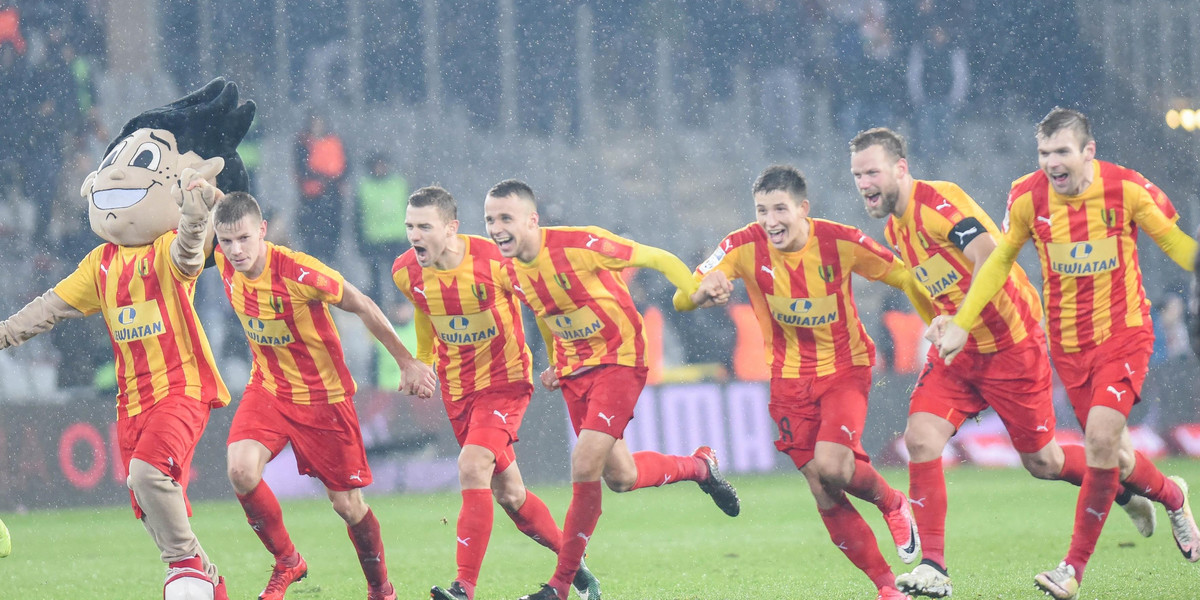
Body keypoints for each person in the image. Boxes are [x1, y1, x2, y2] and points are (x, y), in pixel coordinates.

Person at [849, 127, 1156, 598]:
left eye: (872, 171)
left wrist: (963, 322)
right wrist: (937, 323)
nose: (863, 182)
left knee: (1044, 462)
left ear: (900, 168)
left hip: (1012, 347)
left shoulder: (938, 202)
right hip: (961, 355)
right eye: (856, 175)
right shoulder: (894, 228)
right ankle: (934, 567)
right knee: (921, 436)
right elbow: (930, 284)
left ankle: (1131, 488)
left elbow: (988, 254)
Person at [0, 78, 254, 598]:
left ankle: (183, 568)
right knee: (148, 500)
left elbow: (189, 257)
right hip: (131, 401)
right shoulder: (101, 263)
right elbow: (51, 306)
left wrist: (191, 215)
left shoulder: (162, 251)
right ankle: (208, 579)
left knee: (146, 476)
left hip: (180, 389)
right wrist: (4, 333)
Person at [933, 108, 1200, 599]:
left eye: (1061, 152)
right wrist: (962, 322)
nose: (1052, 163)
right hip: (1070, 348)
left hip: (1126, 334)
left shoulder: (1126, 189)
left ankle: (1070, 569)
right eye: (1044, 153)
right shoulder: (1026, 196)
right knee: (1114, 457)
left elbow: (1177, 245)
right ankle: (1173, 496)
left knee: (1099, 439)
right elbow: (998, 264)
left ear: (1087, 152)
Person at [674, 165, 932, 600]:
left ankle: (891, 502)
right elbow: (684, 297)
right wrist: (702, 292)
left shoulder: (840, 241)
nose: (770, 220)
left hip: (844, 368)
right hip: (787, 381)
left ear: (803, 209)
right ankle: (887, 588)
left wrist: (940, 321)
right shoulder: (740, 245)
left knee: (834, 466)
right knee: (823, 484)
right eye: (761, 210)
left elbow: (904, 275)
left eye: (780, 209)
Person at [483, 179, 741, 600]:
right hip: (576, 369)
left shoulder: (582, 244)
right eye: (490, 219)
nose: (496, 227)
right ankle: (700, 467)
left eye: (505, 218)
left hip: (620, 359)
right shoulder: (510, 269)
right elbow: (548, 316)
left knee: (583, 464)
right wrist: (555, 362)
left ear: (532, 220)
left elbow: (656, 256)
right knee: (621, 476)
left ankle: (561, 587)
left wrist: (694, 289)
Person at [210, 190, 437, 600]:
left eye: (244, 239)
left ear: (262, 231)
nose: (235, 250)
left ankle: (381, 589)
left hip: (323, 398)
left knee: (348, 506)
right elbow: (221, 206)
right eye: (226, 241)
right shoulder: (226, 253)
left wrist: (406, 361)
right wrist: (200, 189)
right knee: (241, 470)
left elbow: (362, 304)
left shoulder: (298, 272)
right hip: (270, 387)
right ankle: (288, 561)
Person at [392, 186, 601, 600]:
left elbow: (543, 305)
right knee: (510, 494)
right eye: (409, 227)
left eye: (424, 227)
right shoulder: (405, 271)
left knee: (471, 466)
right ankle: (575, 568)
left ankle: (463, 588)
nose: (415, 236)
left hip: (505, 383)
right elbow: (422, 306)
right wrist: (422, 359)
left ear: (451, 228)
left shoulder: (494, 261)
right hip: (457, 390)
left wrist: (560, 355)